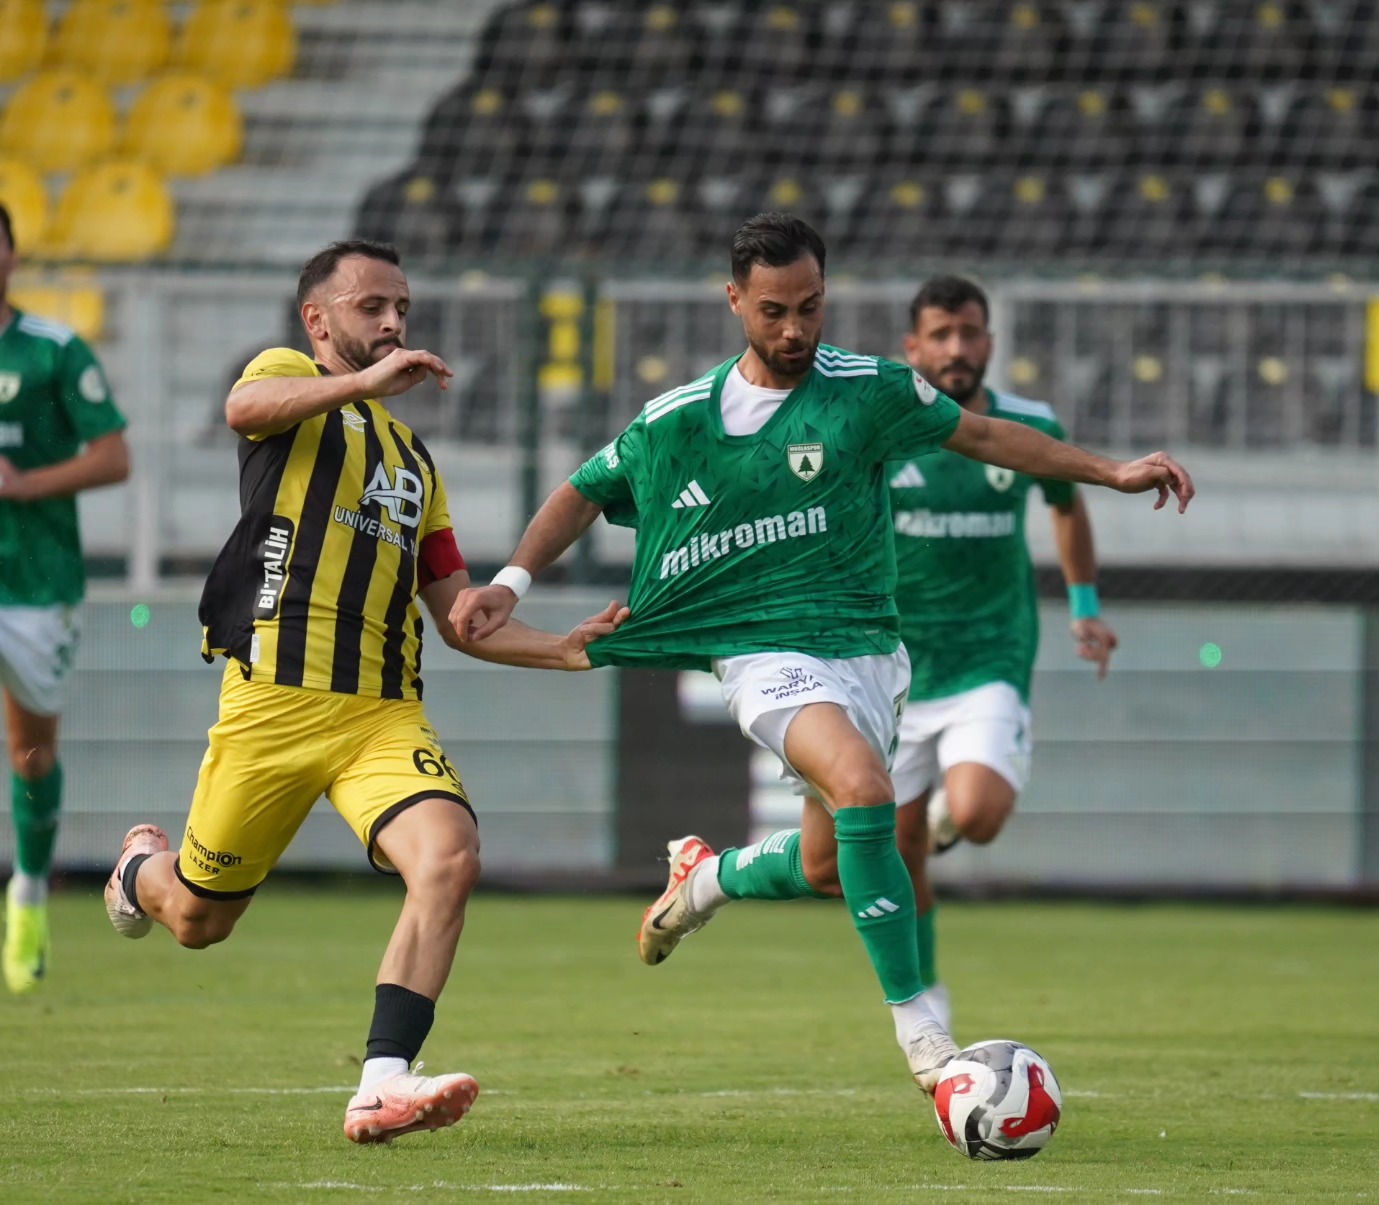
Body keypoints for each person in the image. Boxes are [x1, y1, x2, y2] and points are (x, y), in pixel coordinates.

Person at [449, 212, 1192, 1095]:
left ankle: (707, 879)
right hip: (760, 650)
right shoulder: (681, 419)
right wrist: (512, 582)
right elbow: (582, 490)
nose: (795, 329)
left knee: (826, 865)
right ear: (735, 301)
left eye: (809, 307)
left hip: (869, 653)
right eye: (774, 311)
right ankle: (926, 1038)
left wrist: (1111, 471)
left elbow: (987, 436)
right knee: (868, 791)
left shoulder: (870, 391)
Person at [103, 239, 626, 1144]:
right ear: (317, 319)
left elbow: (457, 614)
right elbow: (242, 409)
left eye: (402, 309)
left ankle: (383, 1082)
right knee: (196, 920)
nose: (392, 322)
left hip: (381, 717)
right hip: (273, 703)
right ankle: (137, 870)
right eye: (371, 306)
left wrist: (563, 649)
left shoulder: (416, 463)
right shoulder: (284, 376)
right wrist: (361, 383)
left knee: (450, 856)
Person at [888, 275, 1118, 1032]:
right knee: (897, 850)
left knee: (980, 815)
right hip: (894, 669)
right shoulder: (887, 429)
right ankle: (924, 992)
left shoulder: (1027, 423)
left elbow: (1066, 505)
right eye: (941, 335)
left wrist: (1084, 605)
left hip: (991, 654)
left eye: (970, 333)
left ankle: (954, 811)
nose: (957, 348)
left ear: (989, 342)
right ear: (913, 347)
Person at [0, 203, 131, 994]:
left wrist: (23, 485)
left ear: (13, 255)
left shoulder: (52, 349)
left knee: (30, 751)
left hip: (35, 579)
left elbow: (114, 457)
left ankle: (28, 891)